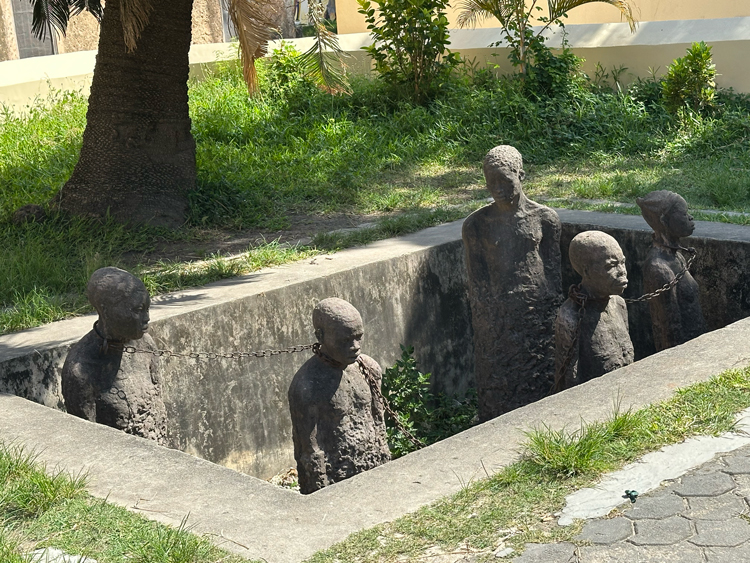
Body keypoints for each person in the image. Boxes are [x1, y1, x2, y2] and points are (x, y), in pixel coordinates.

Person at [462, 145, 562, 420]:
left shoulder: (545, 219)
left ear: (521, 175)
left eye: (505, 181)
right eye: (491, 183)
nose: (497, 189)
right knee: (501, 387)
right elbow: (478, 284)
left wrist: (547, 311)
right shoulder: (477, 226)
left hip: (538, 314)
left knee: (542, 379)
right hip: (499, 320)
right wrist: (491, 324)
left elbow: (553, 274)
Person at [288, 298, 390, 494]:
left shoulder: (369, 368)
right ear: (321, 335)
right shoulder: (306, 385)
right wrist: (320, 490)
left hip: (374, 466)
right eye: (345, 340)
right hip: (337, 478)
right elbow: (309, 450)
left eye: (358, 337)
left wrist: (384, 462)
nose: (355, 346)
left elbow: (379, 421)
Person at [61, 267, 168, 444]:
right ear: (106, 310)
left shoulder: (146, 344)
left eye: (147, 308)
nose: (146, 318)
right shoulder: (81, 370)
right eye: (137, 310)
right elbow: (87, 441)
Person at [555, 231, 634, 390]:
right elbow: (569, 380)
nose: (621, 271)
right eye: (611, 266)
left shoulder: (618, 304)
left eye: (622, 262)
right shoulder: (570, 317)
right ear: (586, 270)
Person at [637, 190, 706, 351]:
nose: (690, 217)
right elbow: (669, 329)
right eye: (683, 214)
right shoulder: (659, 269)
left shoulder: (677, 256)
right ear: (664, 221)